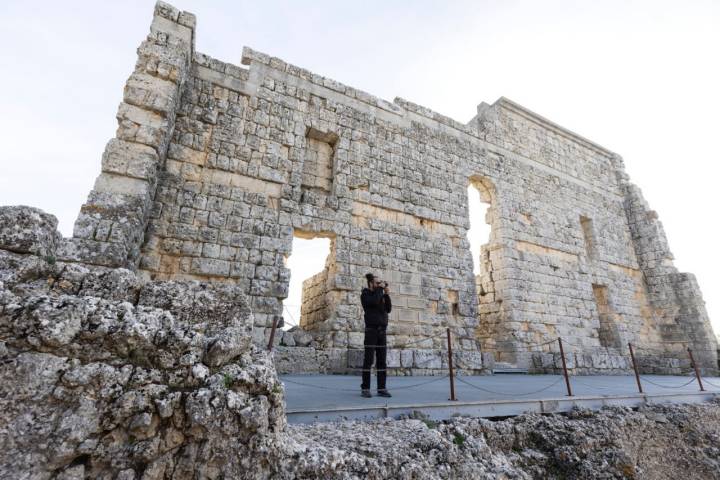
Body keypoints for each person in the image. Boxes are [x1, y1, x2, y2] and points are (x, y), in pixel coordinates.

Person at [360, 272, 392, 398]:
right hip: (371, 331)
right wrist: (380, 289)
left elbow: (388, 309)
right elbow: (373, 302)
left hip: (382, 332)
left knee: (382, 361)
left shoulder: (380, 294)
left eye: (380, 283)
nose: (379, 285)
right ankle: (365, 388)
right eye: (377, 283)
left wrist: (387, 295)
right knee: (368, 360)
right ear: (370, 283)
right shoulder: (366, 294)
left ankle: (382, 388)